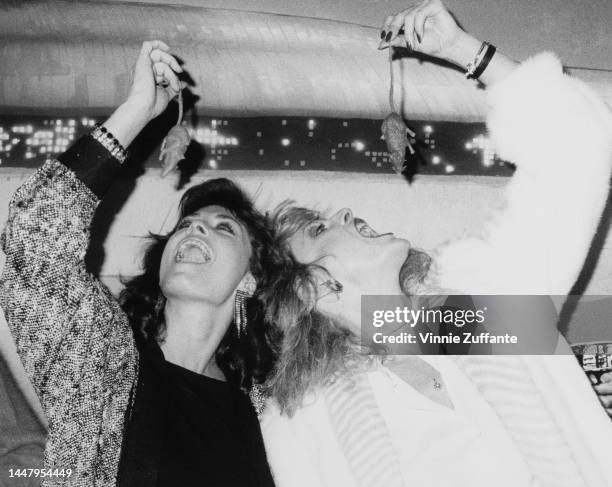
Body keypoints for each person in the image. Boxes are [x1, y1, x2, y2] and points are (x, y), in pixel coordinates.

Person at [259, 1, 612, 486]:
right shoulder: (298, 419)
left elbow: (580, 151)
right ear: (309, 290)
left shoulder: (486, 300)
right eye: (319, 229)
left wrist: (469, 53)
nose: (344, 213)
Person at [0, 41, 275, 486]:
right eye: (186, 225)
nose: (194, 230)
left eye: (223, 228)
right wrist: (136, 113)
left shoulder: (263, 401)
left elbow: (406, 328)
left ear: (249, 280)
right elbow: (35, 239)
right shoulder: (103, 356)